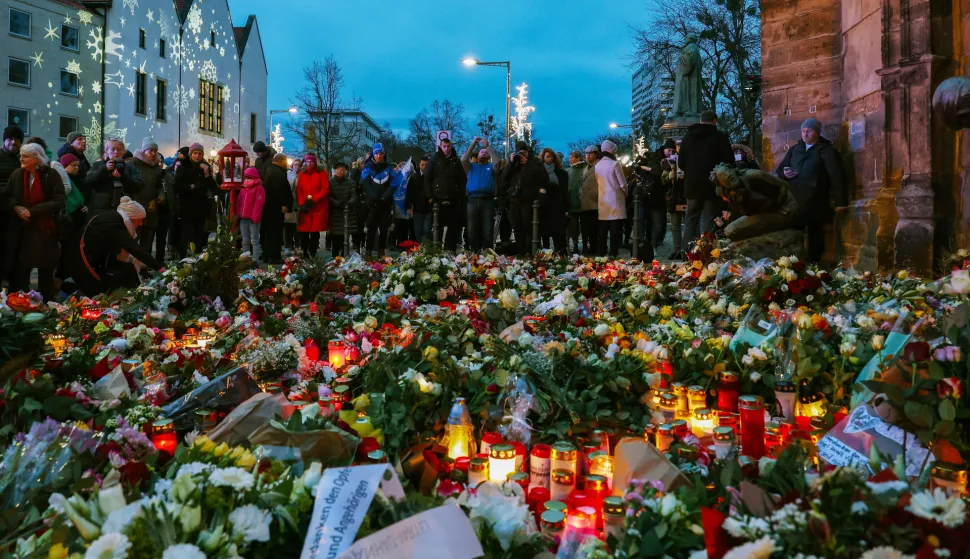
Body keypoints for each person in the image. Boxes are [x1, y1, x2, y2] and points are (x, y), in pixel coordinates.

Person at [776, 118, 847, 262]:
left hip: (816, 201)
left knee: (815, 236)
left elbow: (837, 176)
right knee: (793, 235)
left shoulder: (826, 151)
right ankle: (791, 266)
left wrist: (841, 202)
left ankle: (814, 268)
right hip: (794, 201)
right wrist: (785, 173)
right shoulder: (795, 149)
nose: (805, 134)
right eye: (803, 131)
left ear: (817, 133)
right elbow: (779, 169)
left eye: (809, 131)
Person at [0, 143, 64, 299]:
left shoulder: (51, 174)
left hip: (44, 228)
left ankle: (45, 304)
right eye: (21, 155)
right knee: (20, 269)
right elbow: (7, 195)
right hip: (22, 228)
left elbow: (58, 199)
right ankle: (20, 303)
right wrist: (16, 208)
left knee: (45, 270)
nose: (21, 158)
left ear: (37, 158)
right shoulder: (17, 174)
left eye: (25, 156)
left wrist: (33, 211)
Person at [70, 197, 163, 295]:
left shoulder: (114, 218)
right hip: (84, 263)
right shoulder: (115, 225)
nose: (140, 223)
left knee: (128, 271)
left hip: (92, 259)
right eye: (139, 219)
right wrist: (160, 268)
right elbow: (135, 249)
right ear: (131, 217)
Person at [679, 110, 733, 247]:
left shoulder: (687, 137)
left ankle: (687, 253)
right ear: (715, 120)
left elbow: (681, 163)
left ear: (701, 119)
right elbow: (729, 162)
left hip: (692, 186)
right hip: (712, 185)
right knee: (709, 220)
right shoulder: (720, 137)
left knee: (690, 220)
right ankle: (707, 253)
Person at [501, 140, 547, 255]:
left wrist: (527, 163)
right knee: (516, 227)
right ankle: (520, 251)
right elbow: (504, 178)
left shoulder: (535, 161)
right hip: (515, 199)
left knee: (528, 227)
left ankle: (530, 251)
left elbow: (542, 177)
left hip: (529, 199)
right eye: (519, 152)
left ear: (527, 152)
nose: (521, 155)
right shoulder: (514, 162)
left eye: (524, 152)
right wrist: (511, 163)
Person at [174, 143, 218, 256]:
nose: (197, 156)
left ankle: (196, 259)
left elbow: (212, 186)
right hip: (187, 207)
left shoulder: (205, 167)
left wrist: (207, 174)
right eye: (195, 153)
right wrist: (190, 187)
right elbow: (177, 185)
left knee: (199, 235)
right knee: (187, 235)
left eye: (200, 153)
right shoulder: (183, 166)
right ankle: (184, 259)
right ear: (190, 154)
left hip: (200, 207)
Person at [425, 138, 467, 252]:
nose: (446, 149)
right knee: (437, 227)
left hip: (453, 199)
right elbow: (427, 178)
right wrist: (430, 197)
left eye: (448, 146)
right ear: (440, 146)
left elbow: (462, 180)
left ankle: (450, 251)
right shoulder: (434, 159)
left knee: (453, 228)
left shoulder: (455, 160)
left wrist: (460, 197)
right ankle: (436, 252)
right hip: (437, 199)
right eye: (444, 146)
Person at [86, 137, 144, 211]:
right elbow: (88, 182)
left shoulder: (129, 167)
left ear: (124, 152)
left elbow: (139, 186)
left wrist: (123, 177)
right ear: (107, 151)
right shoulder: (98, 165)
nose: (116, 152)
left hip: (125, 209)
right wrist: (104, 169)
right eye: (113, 149)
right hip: (101, 208)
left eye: (119, 149)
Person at [463, 138, 500, 251]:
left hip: (487, 201)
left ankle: (488, 252)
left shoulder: (492, 168)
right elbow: (464, 159)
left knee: (488, 229)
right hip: (472, 200)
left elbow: (498, 161)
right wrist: (473, 144)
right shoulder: (471, 167)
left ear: (489, 157)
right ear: (477, 155)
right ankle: (475, 251)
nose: (483, 153)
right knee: (472, 229)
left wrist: (488, 146)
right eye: (481, 151)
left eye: (486, 152)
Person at [360, 144, 395, 258]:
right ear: (373, 155)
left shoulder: (389, 167)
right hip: (373, 203)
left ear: (384, 154)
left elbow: (392, 185)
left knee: (384, 228)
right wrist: (373, 197)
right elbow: (365, 184)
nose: (379, 156)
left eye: (381, 153)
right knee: (372, 228)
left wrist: (384, 198)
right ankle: (368, 251)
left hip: (385, 203)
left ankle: (381, 251)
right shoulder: (367, 167)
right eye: (377, 154)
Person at [594, 140, 628, 258]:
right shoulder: (615, 164)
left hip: (603, 199)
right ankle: (613, 251)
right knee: (614, 228)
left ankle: (601, 250)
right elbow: (622, 183)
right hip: (615, 199)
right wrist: (625, 193)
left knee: (603, 228)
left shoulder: (597, 165)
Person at [131, 138, 163, 253]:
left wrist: (160, 195)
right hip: (136, 206)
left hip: (151, 208)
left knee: (147, 239)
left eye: (155, 151)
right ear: (144, 151)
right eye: (150, 151)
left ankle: (144, 264)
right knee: (134, 237)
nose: (154, 153)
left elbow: (159, 186)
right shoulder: (133, 163)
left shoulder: (156, 167)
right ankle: (132, 265)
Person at [261, 153, 292, 264]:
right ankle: (274, 256)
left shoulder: (270, 170)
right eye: (285, 161)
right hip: (275, 207)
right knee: (275, 232)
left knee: (268, 232)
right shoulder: (277, 173)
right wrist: (284, 204)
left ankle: (267, 255)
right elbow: (280, 190)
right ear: (281, 161)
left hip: (269, 206)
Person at [296, 154, 329, 259]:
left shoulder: (321, 173)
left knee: (315, 231)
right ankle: (304, 251)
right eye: (307, 162)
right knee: (304, 232)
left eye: (311, 162)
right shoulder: (302, 174)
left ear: (315, 163)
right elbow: (299, 189)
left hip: (317, 207)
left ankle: (313, 252)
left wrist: (314, 200)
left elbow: (325, 189)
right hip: (305, 207)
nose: (309, 164)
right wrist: (302, 203)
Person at [538, 148, 569, 254]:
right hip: (544, 204)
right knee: (545, 231)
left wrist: (566, 207)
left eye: (551, 156)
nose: (549, 159)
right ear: (543, 157)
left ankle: (560, 250)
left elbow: (564, 190)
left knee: (558, 230)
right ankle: (546, 251)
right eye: (547, 156)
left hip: (557, 203)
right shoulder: (539, 171)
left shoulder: (561, 173)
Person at [328, 162, 359, 257]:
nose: (340, 172)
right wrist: (337, 203)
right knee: (335, 236)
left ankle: (344, 255)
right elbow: (328, 196)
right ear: (335, 171)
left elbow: (354, 196)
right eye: (338, 170)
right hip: (335, 212)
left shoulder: (350, 182)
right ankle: (334, 255)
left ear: (345, 171)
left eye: (342, 170)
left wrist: (348, 203)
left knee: (345, 235)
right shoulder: (330, 182)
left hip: (347, 211)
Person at [236, 167, 266, 261]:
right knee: (245, 240)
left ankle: (255, 260)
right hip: (243, 216)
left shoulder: (258, 188)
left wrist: (256, 216)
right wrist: (238, 213)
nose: (247, 179)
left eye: (249, 177)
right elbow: (239, 201)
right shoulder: (244, 188)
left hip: (253, 218)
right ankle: (246, 259)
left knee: (254, 240)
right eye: (246, 177)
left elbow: (259, 203)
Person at [579, 146, 600, 256]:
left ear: (596, 154)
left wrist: (596, 193)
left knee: (595, 227)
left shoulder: (599, 166)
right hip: (586, 200)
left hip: (595, 201)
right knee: (588, 227)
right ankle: (591, 246)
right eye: (586, 153)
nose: (588, 155)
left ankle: (596, 247)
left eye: (590, 153)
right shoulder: (586, 167)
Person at [406, 156, 433, 242]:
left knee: (427, 230)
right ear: (419, 165)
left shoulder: (433, 177)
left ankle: (427, 249)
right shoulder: (414, 177)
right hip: (417, 209)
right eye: (422, 165)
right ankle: (420, 250)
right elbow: (408, 193)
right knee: (418, 231)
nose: (424, 167)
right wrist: (408, 207)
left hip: (429, 208)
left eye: (426, 165)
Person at [566, 150, 587, 253]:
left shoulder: (585, 169)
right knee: (573, 225)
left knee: (584, 225)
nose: (570, 158)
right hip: (571, 202)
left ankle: (584, 243)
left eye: (572, 157)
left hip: (582, 201)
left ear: (578, 158)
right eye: (570, 157)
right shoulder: (569, 170)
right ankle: (575, 244)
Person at [284, 158, 301, 255]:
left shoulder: (302, 175)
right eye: (295, 164)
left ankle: (298, 245)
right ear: (292, 165)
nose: (297, 166)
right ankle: (288, 246)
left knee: (298, 226)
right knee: (288, 226)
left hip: (299, 203)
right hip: (290, 202)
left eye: (299, 165)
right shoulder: (288, 174)